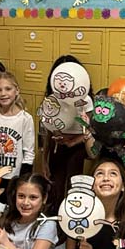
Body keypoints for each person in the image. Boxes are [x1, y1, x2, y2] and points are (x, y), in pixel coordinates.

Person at [40, 55, 96, 217]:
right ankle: (52, 225)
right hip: (58, 146)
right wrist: (44, 160)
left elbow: (91, 129)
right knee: (54, 189)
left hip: (78, 148)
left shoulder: (86, 100)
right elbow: (48, 131)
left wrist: (72, 142)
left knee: (74, 189)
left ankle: (71, 226)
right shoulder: (52, 100)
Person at [0, 71, 34, 203]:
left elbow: (29, 151)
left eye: (8, 89)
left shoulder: (25, 118)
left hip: (13, 177)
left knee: (9, 210)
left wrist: (23, 179)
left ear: (16, 90)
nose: (3, 93)